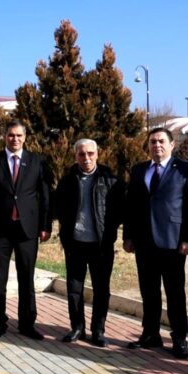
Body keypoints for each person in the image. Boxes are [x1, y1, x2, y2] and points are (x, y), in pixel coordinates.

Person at [123, 128, 188, 359]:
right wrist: (128, 236)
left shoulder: (185, 170)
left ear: (172, 144)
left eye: (161, 141)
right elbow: (131, 206)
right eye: (153, 141)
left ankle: (179, 338)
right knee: (149, 291)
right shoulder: (139, 170)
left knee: (175, 292)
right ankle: (150, 333)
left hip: (173, 242)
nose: (157, 145)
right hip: (144, 242)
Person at [0, 119, 52, 340]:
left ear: (25, 137)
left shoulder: (36, 161)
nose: (15, 139)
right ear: (5, 137)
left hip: (27, 230)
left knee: (26, 277)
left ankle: (27, 323)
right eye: (11, 135)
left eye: (19, 135)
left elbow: (45, 195)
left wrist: (45, 225)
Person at [54, 139, 124, 347]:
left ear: (97, 154)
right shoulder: (68, 180)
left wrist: (109, 231)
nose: (86, 158)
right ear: (76, 156)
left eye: (90, 154)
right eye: (82, 154)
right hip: (75, 244)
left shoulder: (110, 180)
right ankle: (77, 327)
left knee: (101, 289)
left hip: (100, 245)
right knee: (74, 288)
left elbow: (119, 211)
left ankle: (98, 330)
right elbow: (59, 209)